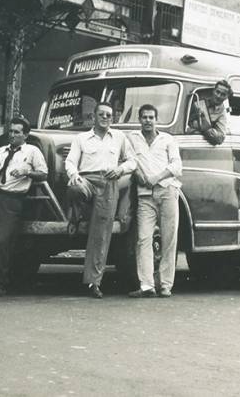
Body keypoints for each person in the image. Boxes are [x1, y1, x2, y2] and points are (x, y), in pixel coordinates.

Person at [65, 102, 136, 299]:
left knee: (100, 234)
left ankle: (92, 282)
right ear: (94, 117)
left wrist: (120, 169)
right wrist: (74, 174)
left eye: (109, 115)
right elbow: (70, 161)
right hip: (86, 180)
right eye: (102, 114)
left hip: (108, 183)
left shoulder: (119, 137)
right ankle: (75, 215)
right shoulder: (81, 138)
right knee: (73, 188)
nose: (106, 118)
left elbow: (132, 161)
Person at [0, 117, 48, 297]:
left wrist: (27, 172)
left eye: (17, 132)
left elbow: (43, 174)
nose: (13, 135)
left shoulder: (32, 151)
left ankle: (0, 283)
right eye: (11, 131)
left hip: (12, 199)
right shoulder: (2, 150)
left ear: (25, 135)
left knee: (2, 241)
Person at [126, 104, 183, 298]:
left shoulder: (167, 139)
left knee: (169, 239)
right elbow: (130, 160)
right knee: (143, 239)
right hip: (145, 196)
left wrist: (156, 178)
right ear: (139, 119)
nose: (147, 121)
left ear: (156, 120)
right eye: (144, 117)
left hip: (167, 191)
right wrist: (139, 174)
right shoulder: (133, 139)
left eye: (151, 117)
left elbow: (176, 165)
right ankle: (147, 285)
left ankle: (166, 285)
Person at [189, 79, 231, 145]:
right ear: (213, 91)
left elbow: (220, 139)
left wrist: (204, 125)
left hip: (200, 142)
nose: (218, 96)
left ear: (226, 97)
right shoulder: (198, 100)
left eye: (223, 94)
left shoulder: (222, 113)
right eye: (217, 92)